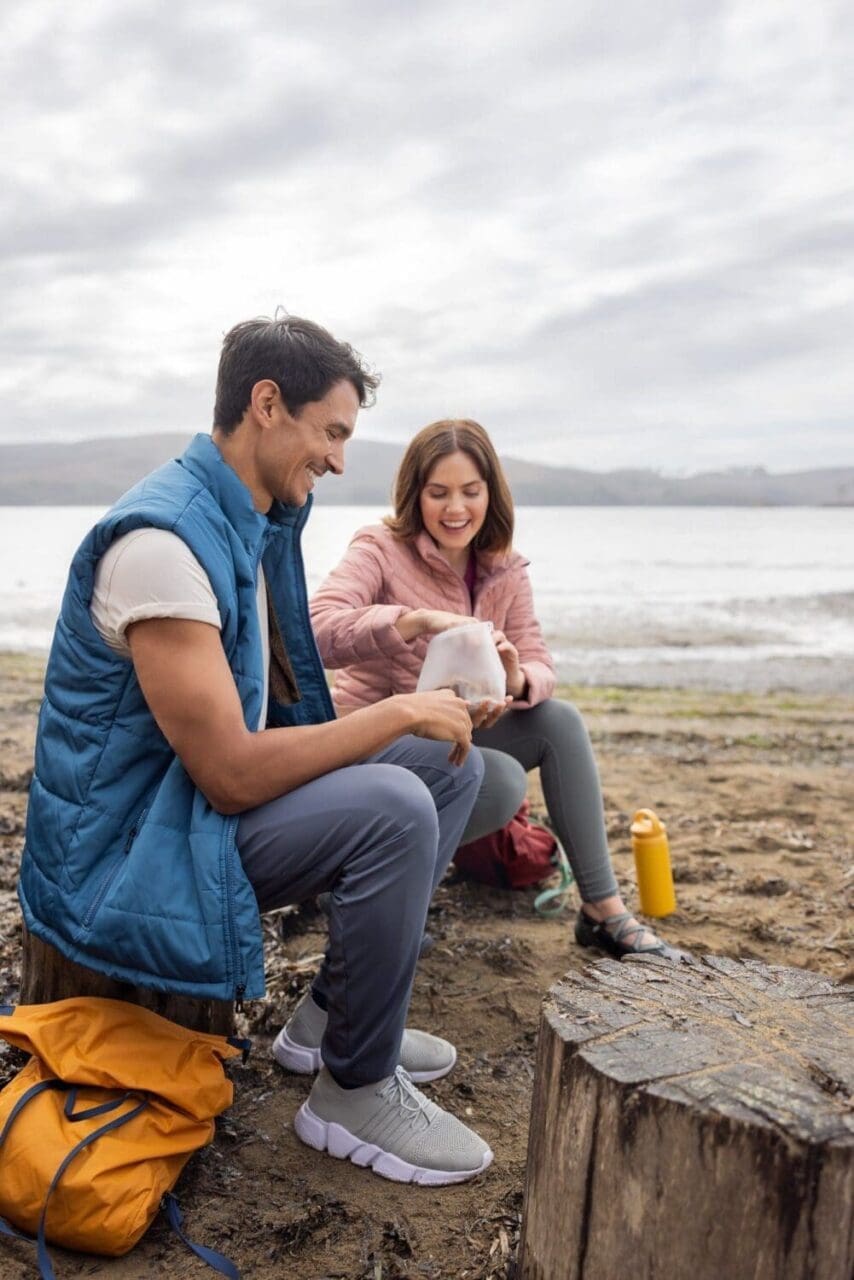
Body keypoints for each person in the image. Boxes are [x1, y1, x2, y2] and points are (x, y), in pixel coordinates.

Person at [18, 321, 494, 1186]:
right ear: (266, 405)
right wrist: (393, 714)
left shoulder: (252, 520)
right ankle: (352, 1094)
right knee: (393, 806)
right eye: (333, 433)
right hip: (128, 855)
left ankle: (331, 1024)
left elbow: (274, 681)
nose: (341, 462)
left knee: (453, 767)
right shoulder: (161, 546)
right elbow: (231, 773)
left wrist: (414, 681)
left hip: (182, 815)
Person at [310, 418, 682, 960]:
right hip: (378, 740)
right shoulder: (380, 548)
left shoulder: (505, 567)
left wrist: (516, 678)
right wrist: (414, 621)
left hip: (457, 734)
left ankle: (603, 911)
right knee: (500, 779)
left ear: (491, 493)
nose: (454, 508)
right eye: (438, 493)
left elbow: (537, 657)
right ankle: (370, 891)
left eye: (470, 491)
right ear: (415, 494)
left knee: (560, 722)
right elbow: (317, 628)